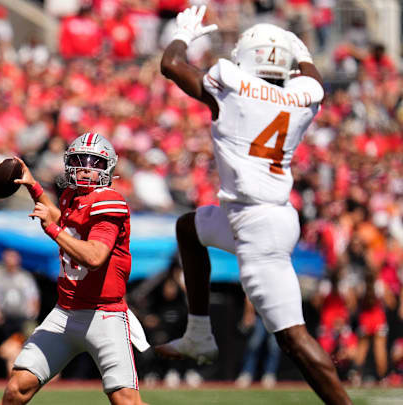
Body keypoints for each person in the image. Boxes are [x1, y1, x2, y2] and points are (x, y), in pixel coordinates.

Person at [154, 6, 352, 404]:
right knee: (189, 228)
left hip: (257, 225)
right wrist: (305, 54)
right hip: (259, 214)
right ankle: (199, 333)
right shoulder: (303, 96)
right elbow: (312, 79)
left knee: (293, 339)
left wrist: (184, 35)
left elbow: (171, 64)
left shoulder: (232, 89)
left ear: (247, 56)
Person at [1, 133, 142, 405]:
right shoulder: (70, 196)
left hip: (104, 315)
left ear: (108, 167)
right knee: (17, 389)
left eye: (94, 163)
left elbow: (95, 256)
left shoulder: (108, 201)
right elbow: (64, 221)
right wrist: (34, 188)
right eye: (79, 161)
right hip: (65, 312)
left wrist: (51, 230)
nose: (85, 168)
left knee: (126, 401)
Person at [0, 249, 40, 375]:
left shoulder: (25, 277)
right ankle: (14, 377)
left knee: (25, 348)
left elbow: (33, 296)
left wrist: (32, 314)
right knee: (10, 351)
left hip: (23, 319)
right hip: (6, 320)